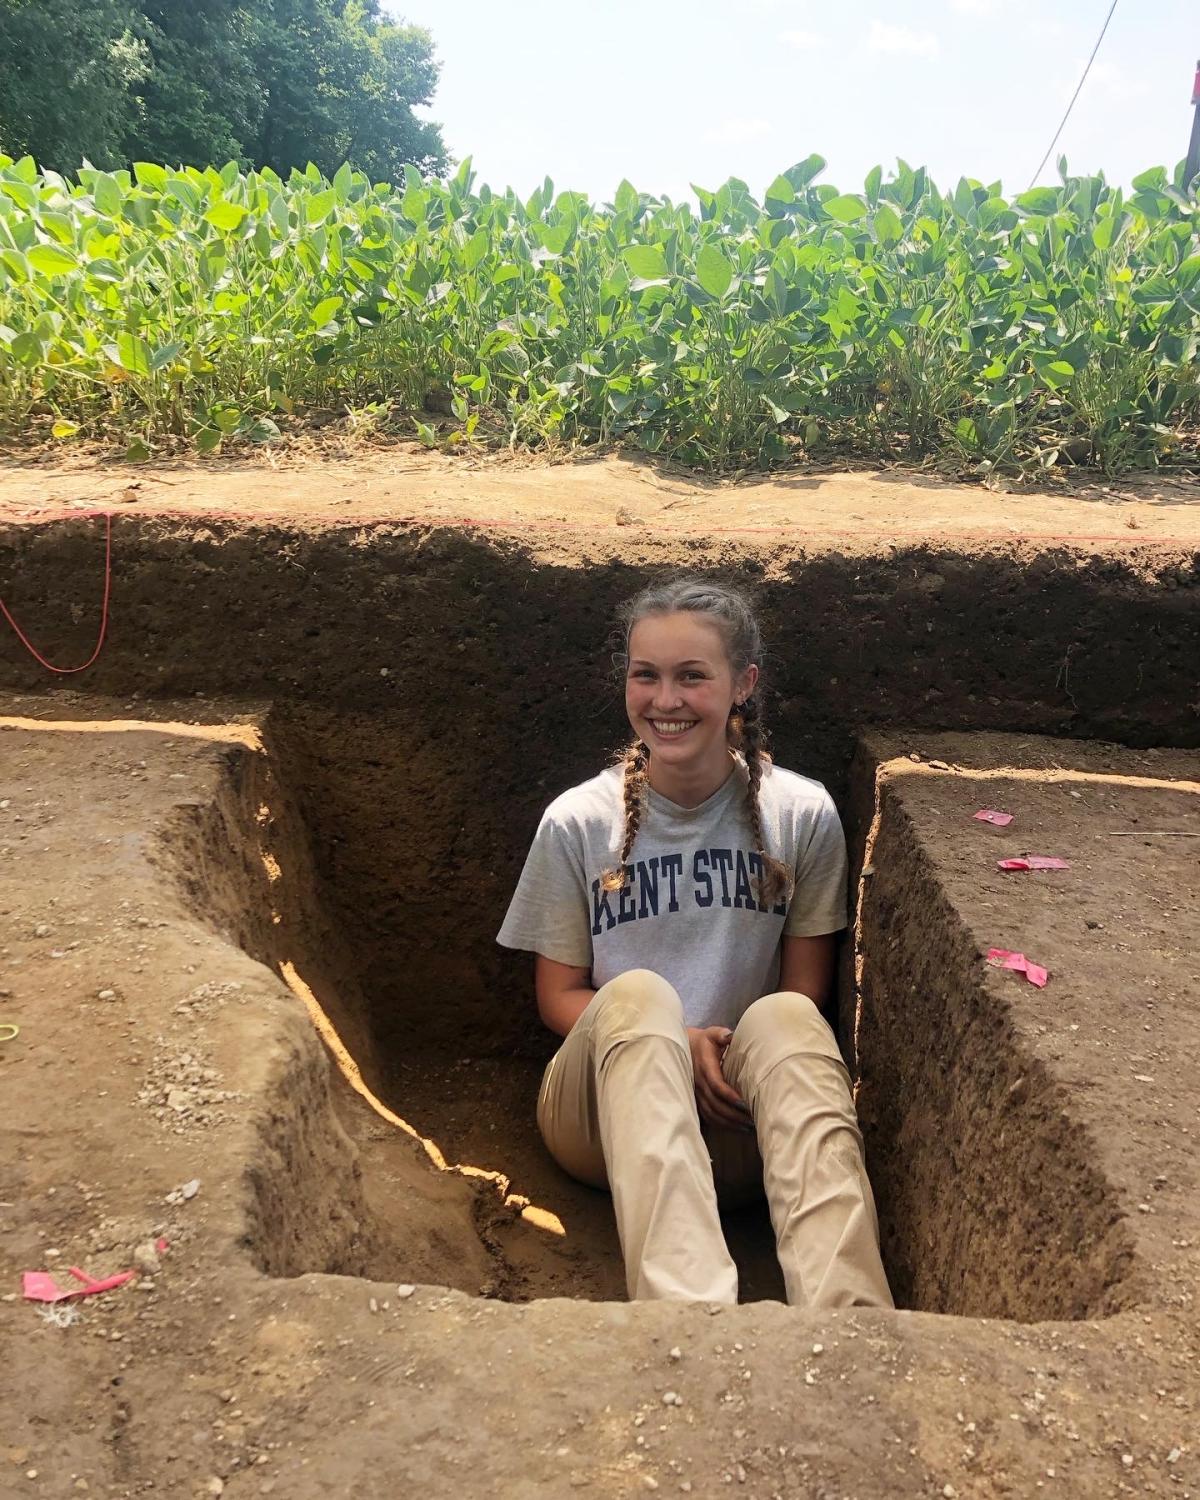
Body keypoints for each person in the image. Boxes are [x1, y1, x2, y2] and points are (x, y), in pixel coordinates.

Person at [496, 577, 892, 1308]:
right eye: (645, 675)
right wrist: (679, 1040)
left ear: (743, 685)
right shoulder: (578, 823)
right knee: (639, 996)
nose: (665, 701)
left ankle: (851, 1322)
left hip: (741, 1114)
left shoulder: (801, 814)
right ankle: (687, 1318)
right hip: (604, 1123)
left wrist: (727, 1051)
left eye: (692, 677)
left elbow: (804, 988)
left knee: (789, 1020)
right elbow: (558, 997)